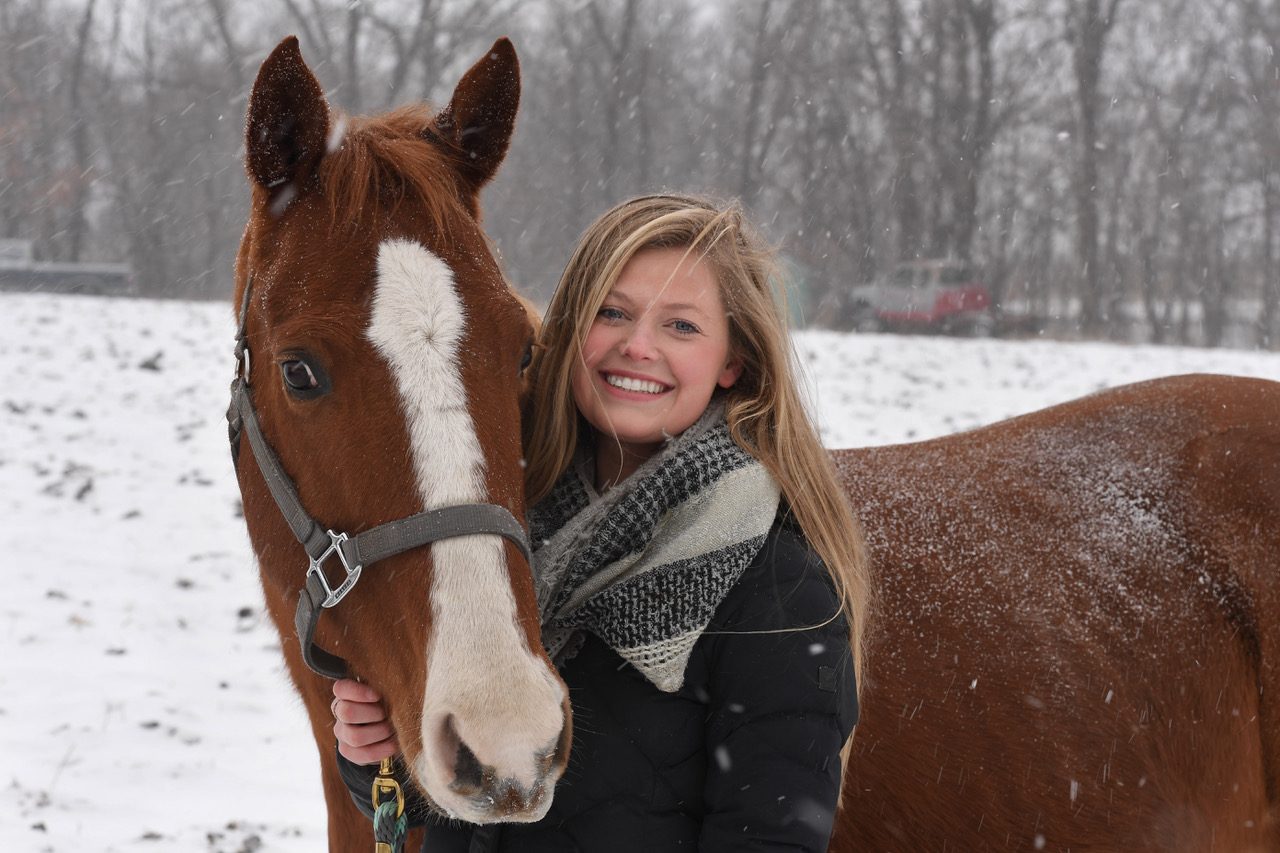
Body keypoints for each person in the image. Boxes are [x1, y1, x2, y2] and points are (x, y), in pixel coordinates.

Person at [331, 192, 871, 851]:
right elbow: (469, 789)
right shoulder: (496, 538)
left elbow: (771, 841)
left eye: (681, 326)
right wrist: (378, 759)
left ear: (735, 361)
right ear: (571, 329)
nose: (638, 346)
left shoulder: (777, 590)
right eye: (613, 312)